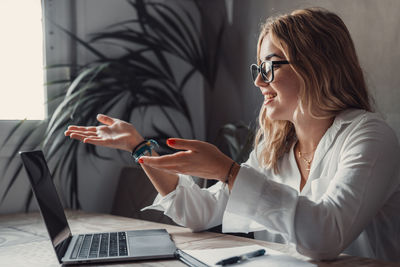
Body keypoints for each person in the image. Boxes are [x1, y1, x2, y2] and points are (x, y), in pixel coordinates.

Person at [65, 8, 400, 262]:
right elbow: (198, 213)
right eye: (258, 68)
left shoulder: (370, 137)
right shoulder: (277, 150)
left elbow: (326, 238)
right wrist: (139, 147)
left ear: (316, 66)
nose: (258, 81)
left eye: (270, 65)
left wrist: (229, 172)